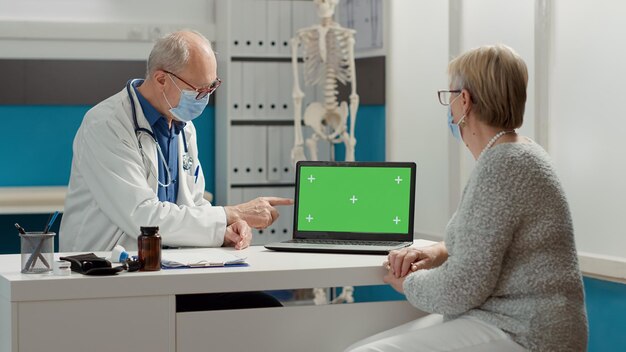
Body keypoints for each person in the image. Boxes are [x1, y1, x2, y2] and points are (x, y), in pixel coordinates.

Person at [345, 45, 587, 352]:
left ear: (464, 100)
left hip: (527, 332)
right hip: (517, 320)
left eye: (450, 97)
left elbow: (461, 288)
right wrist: (438, 253)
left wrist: (408, 284)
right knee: (367, 345)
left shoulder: (504, 164)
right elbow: (491, 242)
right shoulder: (519, 154)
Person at [60, 30, 292, 253]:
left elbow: (194, 206)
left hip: (169, 267)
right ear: (161, 79)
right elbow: (142, 217)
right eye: (198, 90)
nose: (205, 97)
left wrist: (225, 230)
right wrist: (231, 214)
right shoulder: (107, 125)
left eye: (212, 86)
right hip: (105, 272)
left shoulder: (183, 126)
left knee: (256, 297)